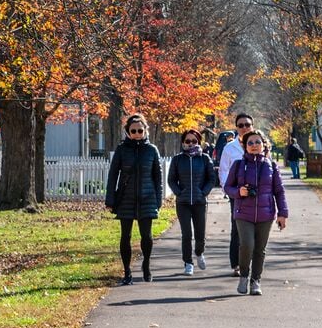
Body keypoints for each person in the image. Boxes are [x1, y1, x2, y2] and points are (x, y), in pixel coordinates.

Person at [223, 129, 289, 295]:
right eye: (250, 143)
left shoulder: (271, 166)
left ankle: (255, 281)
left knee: (260, 249)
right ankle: (244, 276)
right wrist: (239, 192)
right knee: (247, 245)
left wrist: (283, 213)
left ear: (264, 145)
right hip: (243, 213)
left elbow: (279, 191)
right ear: (245, 147)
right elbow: (227, 187)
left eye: (257, 142)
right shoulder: (238, 165)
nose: (254, 145)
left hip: (265, 214)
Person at [105, 114, 163, 285]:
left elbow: (157, 178)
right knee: (125, 236)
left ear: (145, 130)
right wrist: (110, 199)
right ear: (128, 132)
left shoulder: (152, 150)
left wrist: (158, 201)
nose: (137, 133)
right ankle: (127, 271)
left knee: (147, 236)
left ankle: (146, 264)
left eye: (140, 130)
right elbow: (113, 175)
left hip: (147, 198)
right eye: (133, 131)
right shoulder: (122, 150)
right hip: (126, 198)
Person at [167, 128, 215, 275]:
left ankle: (199, 253)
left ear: (198, 142)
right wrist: (179, 193)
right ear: (183, 143)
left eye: (194, 141)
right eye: (187, 141)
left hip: (200, 202)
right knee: (186, 234)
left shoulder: (205, 158)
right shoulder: (177, 159)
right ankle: (188, 262)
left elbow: (211, 178)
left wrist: (203, 192)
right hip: (183, 203)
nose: (191, 143)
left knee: (200, 235)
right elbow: (171, 180)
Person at [218, 113, 255, 276]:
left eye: (247, 124)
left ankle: (253, 262)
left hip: (257, 195)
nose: (244, 128)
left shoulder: (259, 144)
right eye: (241, 125)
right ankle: (237, 264)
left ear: (252, 126)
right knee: (237, 229)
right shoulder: (230, 148)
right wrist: (231, 191)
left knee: (255, 229)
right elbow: (223, 171)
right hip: (237, 195)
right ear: (236, 128)